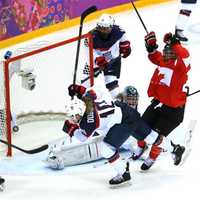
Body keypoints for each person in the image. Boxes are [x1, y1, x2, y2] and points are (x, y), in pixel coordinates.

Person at [61, 83, 185, 187]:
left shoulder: (88, 122)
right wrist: (79, 89)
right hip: (127, 111)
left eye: (74, 116)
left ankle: (123, 171)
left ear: (80, 112)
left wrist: (71, 129)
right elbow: (96, 91)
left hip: (123, 123)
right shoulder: (88, 100)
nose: (74, 119)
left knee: (106, 148)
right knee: (151, 136)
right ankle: (175, 149)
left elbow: (82, 137)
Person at [131, 31, 190, 170]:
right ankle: (141, 146)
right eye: (165, 50)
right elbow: (155, 57)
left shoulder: (181, 67)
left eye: (169, 51)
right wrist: (151, 48)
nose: (165, 53)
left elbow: (185, 56)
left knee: (158, 137)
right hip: (158, 103)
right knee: (140, 126)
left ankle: (154, 157)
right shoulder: (163, 60)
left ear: (175, 53)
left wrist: (175, 44)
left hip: (173, 109)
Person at [82, 13, 131, 98]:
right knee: (85, 83)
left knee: (111, 83)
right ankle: (80, 104)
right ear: (98, 26)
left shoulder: (118, 31)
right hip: (94, 62)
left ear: (111, 26)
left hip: (113, 59)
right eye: (101, 28)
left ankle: (120, 105)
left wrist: (125, 46)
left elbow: (124, 38)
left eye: (106, 28)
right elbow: (89, 53)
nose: (104, 31)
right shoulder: (90, 37)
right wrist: (98, 60)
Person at [0, 51, 36, 133]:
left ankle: (11, 125)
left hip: (3, 105)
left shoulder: (4, 74)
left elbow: (14, 68)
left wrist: (16, 57)